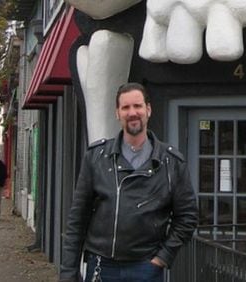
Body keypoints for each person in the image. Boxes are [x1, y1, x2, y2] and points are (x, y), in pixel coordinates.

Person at [60, 82, 198, 282]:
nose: (132, 113)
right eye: (125, 107)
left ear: (148, 110)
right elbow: (77, 219)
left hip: (145, 268)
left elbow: (187, 218)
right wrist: (68, 273)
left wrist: (162, 258)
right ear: (117, 113)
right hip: (101, 267)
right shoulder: (96, 157)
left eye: (137, 106)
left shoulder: (171, 163)